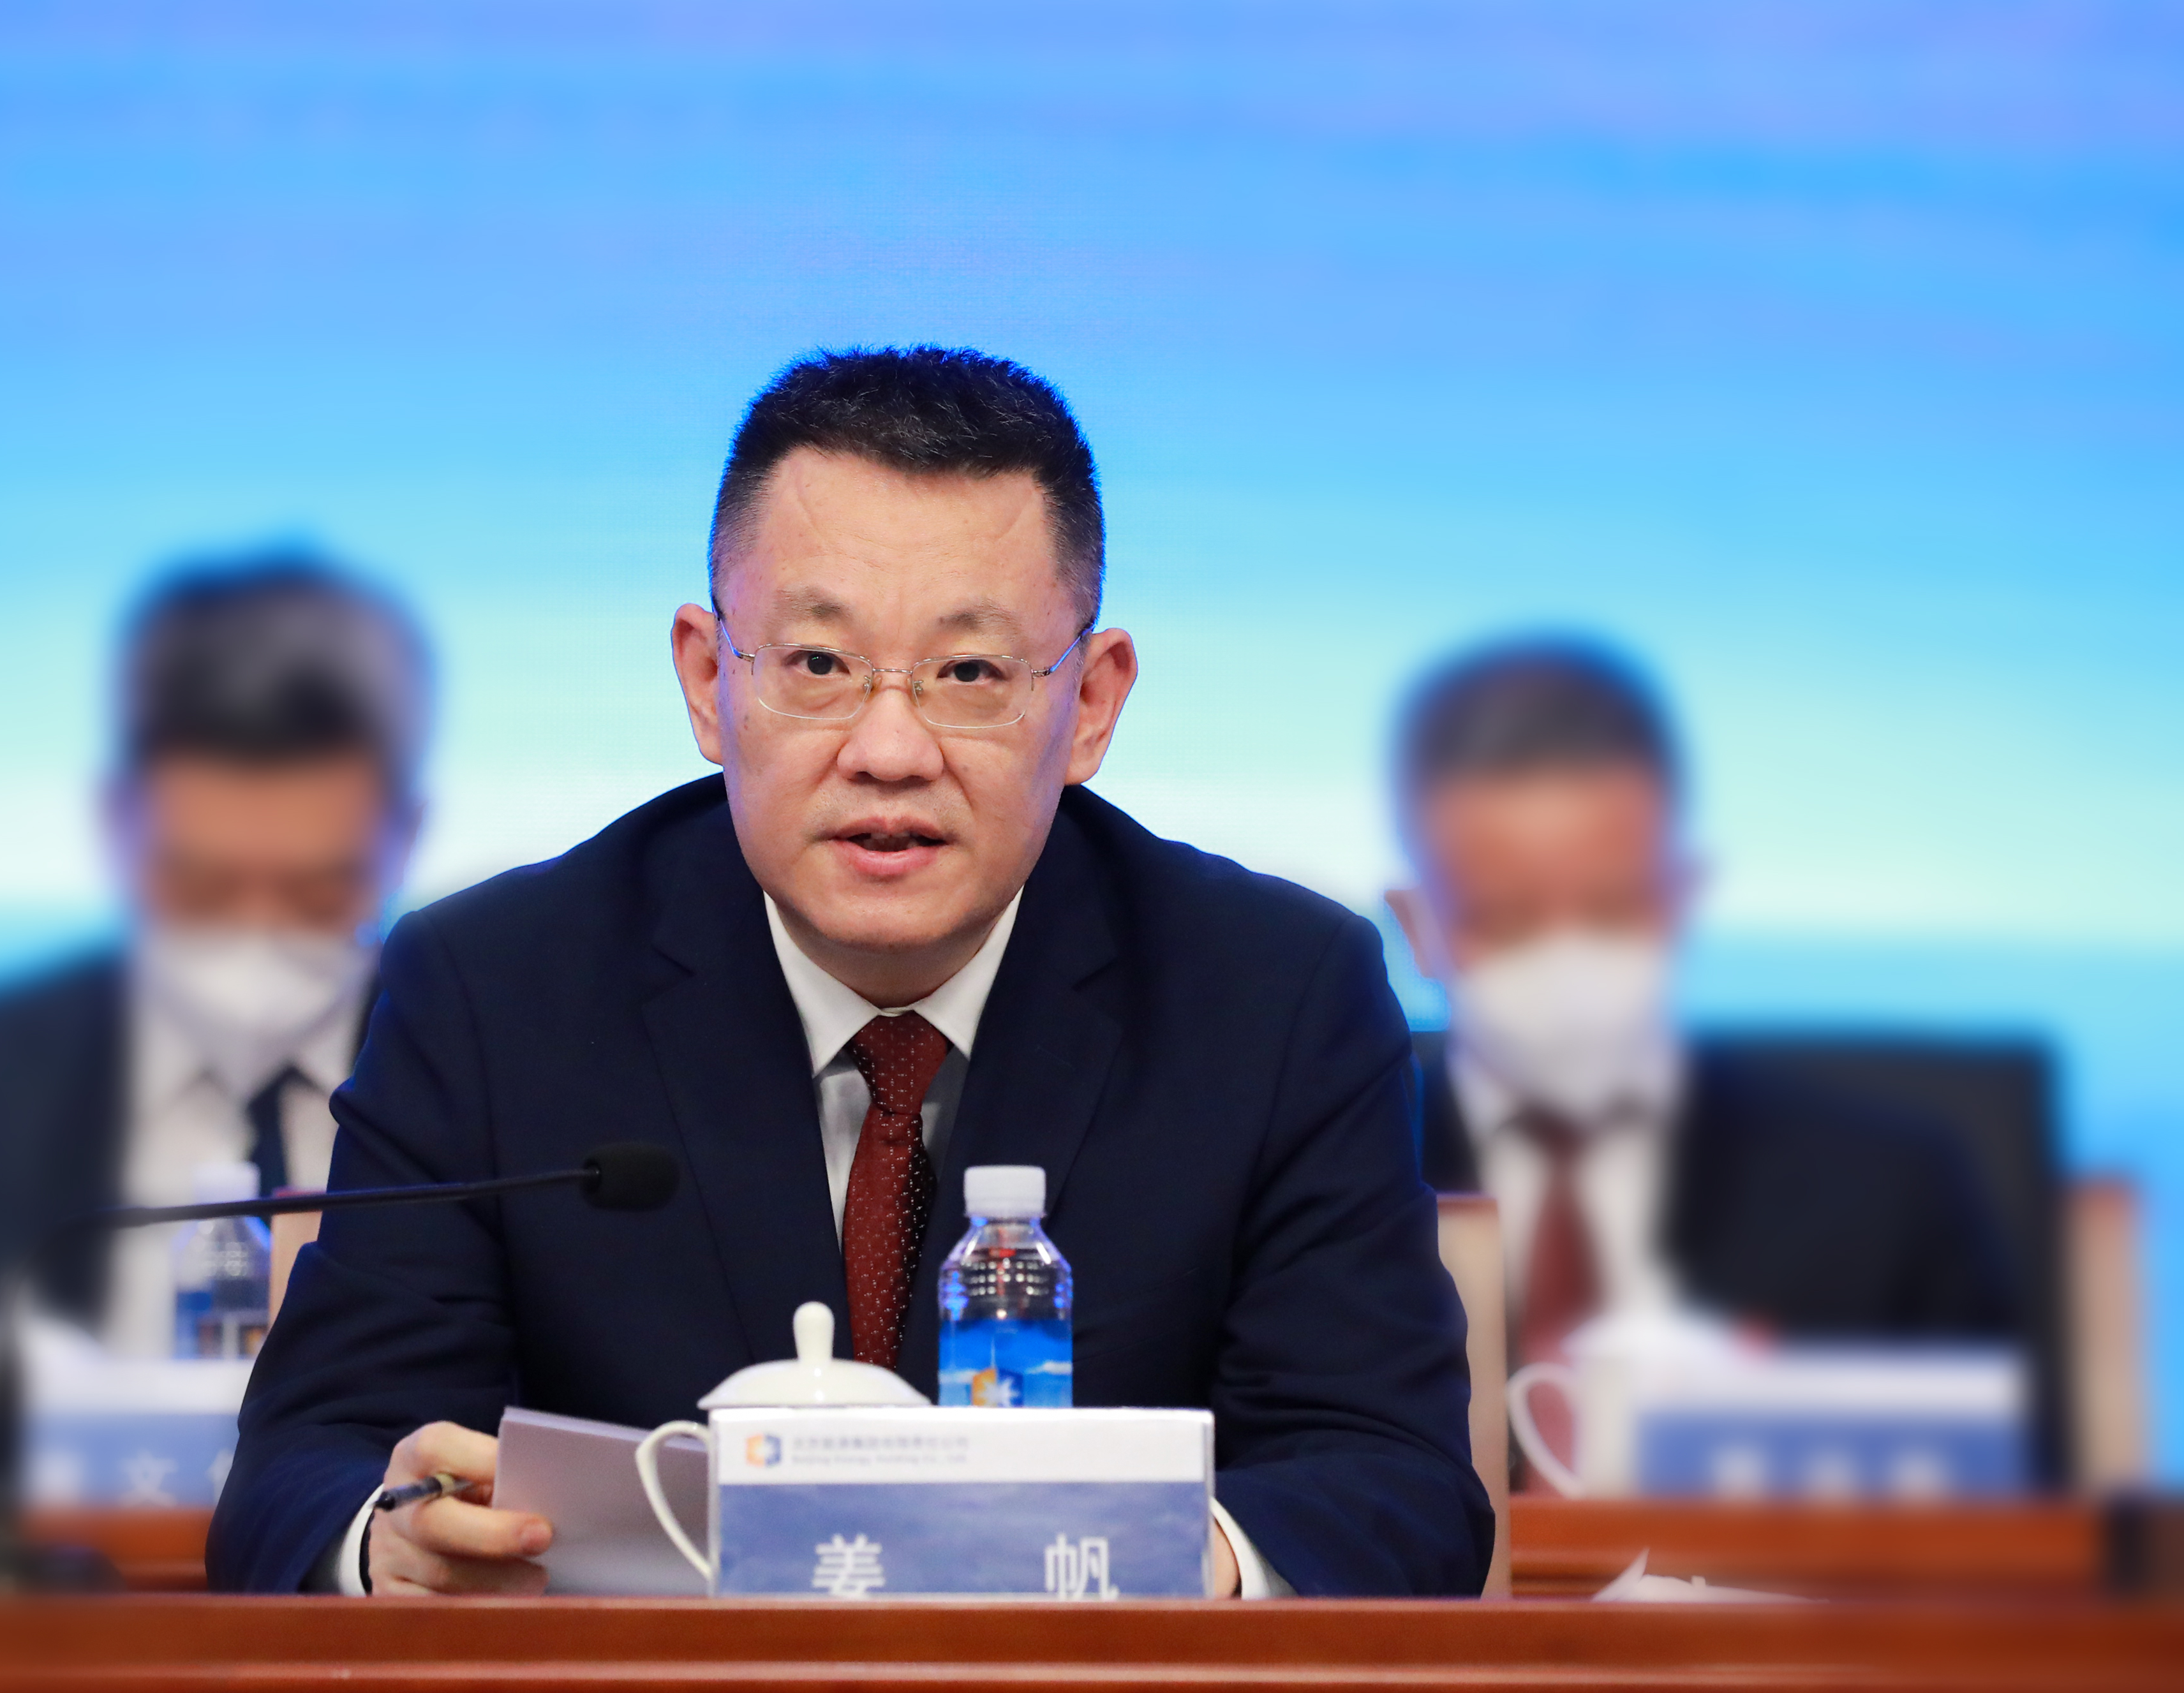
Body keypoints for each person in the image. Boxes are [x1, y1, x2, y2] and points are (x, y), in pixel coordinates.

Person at [211, 348, 1489, 1599]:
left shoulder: (1278, 998)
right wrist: (390, 1540)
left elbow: (1392, 1481)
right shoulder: (493, 990)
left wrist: (1143, 1557)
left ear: (1092, 703)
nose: (889, 748)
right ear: (709, 681)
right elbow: (308, 1468)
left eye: (969, 674)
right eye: (819, 666)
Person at [0, 555, 429, 1498]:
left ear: (404, 834)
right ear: (117, 823)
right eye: (204, 887)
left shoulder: (486, 1075)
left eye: (317, 892)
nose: (256, 934)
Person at [1384, 639, 2017, 1433]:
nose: (1564, 962)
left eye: (1610, 909)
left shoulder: (1891, 1193)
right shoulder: (1327, 1180)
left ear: (1682, 894)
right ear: (1417, 924)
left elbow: (2005, 1494)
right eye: (1505, 920)